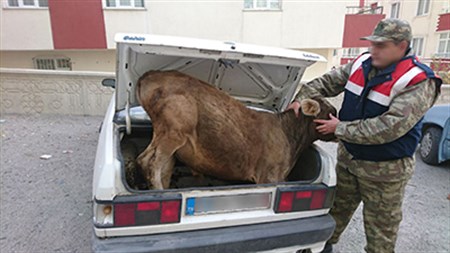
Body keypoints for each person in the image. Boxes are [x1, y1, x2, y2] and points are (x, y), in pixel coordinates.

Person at [287, 19, 442, 253]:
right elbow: (327, 82)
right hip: (349, 163)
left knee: (380, 237)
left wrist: (339, 129)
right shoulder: (361, 63)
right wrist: (302, 96)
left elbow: (389, 127)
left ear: (402, 46)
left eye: (381, 45)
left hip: (384, 173)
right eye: (372, 44)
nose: (373, 50)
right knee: (331, 220)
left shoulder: (417, 80)